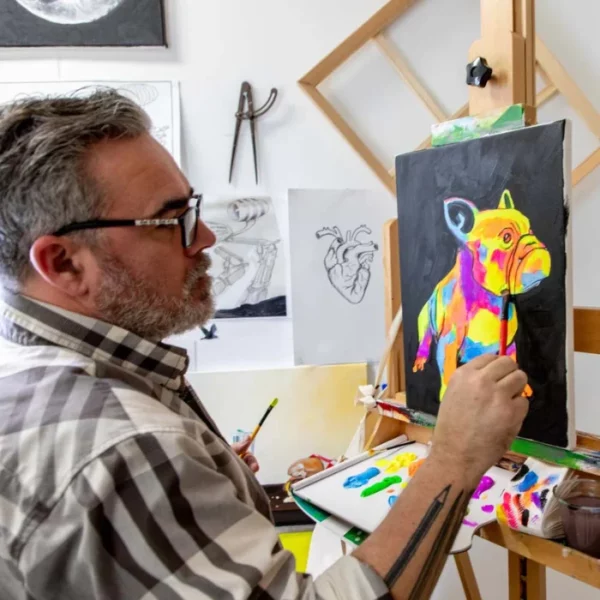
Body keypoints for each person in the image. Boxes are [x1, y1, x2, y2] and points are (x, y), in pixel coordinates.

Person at [0, 90, 529, 600]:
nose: (205, 237)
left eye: (194, 209)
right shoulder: (123, 449)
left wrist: (200, 475)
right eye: (171, 219)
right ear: (64, 263)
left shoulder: (31, 380)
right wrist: (455, 460)